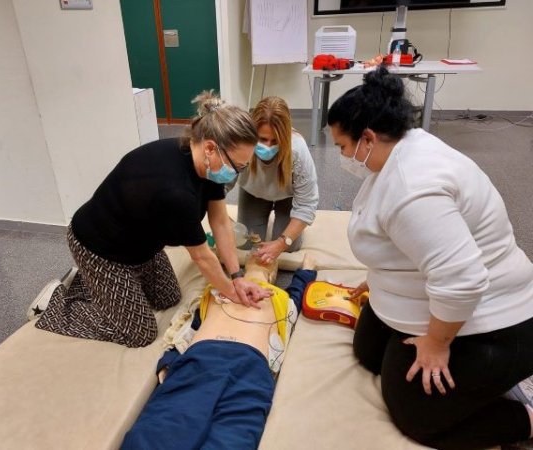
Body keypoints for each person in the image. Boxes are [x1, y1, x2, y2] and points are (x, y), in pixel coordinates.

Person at [327, 67, 533, 449]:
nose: (341, 155)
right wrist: (379, 280)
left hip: (494, 317)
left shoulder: (412, 188)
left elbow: (463, 280)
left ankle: (523, 418)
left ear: (368, 138)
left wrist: (437, 344)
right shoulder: (401, 147)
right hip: (432, 293)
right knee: (368, 351)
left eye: (342, 146)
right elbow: (408, 243)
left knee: (415, 414)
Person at [33, 91, 271, 348]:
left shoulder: (205, 163)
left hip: (142, 244)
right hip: (100, 248)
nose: (236, 173)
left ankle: (90, 284)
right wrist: (231, 293)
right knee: (139, 334)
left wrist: (237, 276)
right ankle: (55, 302)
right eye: (237, 166)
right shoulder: (176, 191)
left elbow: (221, 222)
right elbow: (202, 256)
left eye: (243, 167)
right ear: (211, 147)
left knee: (168, 298)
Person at [120, 253, 317, 450]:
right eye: (254, 256)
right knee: (161, 429)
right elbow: (190, 326)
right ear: (242, 268)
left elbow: (299, 293)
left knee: (232, 437)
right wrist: (170, 360)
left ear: (273, 274)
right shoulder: (217, 289)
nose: (261, 257)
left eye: (269, 261)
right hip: (201, 359)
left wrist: (307, 268)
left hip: (251, 369)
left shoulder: (280, 298)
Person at [236, 96, 318, 265]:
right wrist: (222, 222)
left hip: (288, 197)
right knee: (246, 243)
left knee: (289, 246)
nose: (267, 146)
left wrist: (281, 243)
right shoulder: (242, 142)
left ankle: (281, 222)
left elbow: (307, 203)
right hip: (253, 193)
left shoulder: (297, 149)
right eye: (262, 139)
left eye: (275, 141)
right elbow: (218, 187)